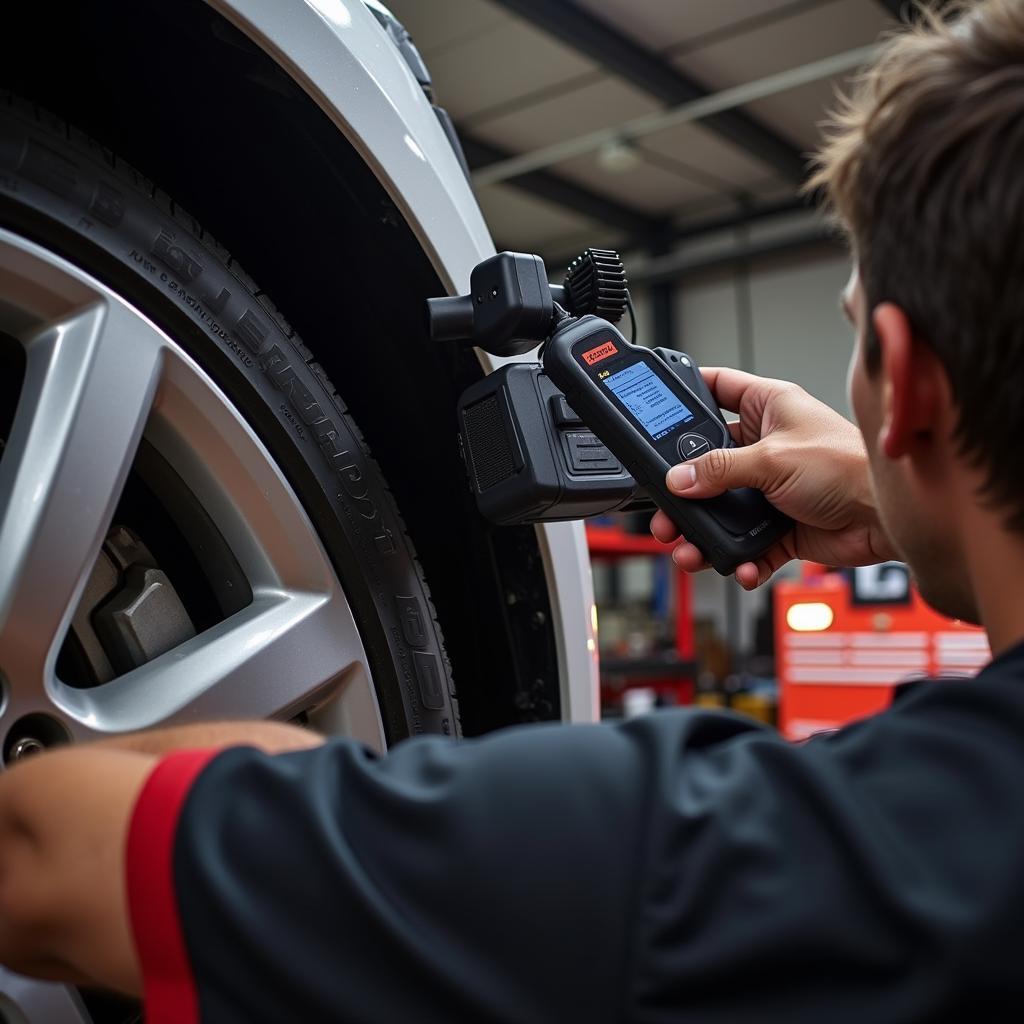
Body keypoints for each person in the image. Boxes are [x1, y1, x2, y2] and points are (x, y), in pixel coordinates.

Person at [3, 1, 1024, 1020]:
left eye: (855, 341)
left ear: (904, 378)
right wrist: (894, 488)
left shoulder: (727, 876)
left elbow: (45, 856)